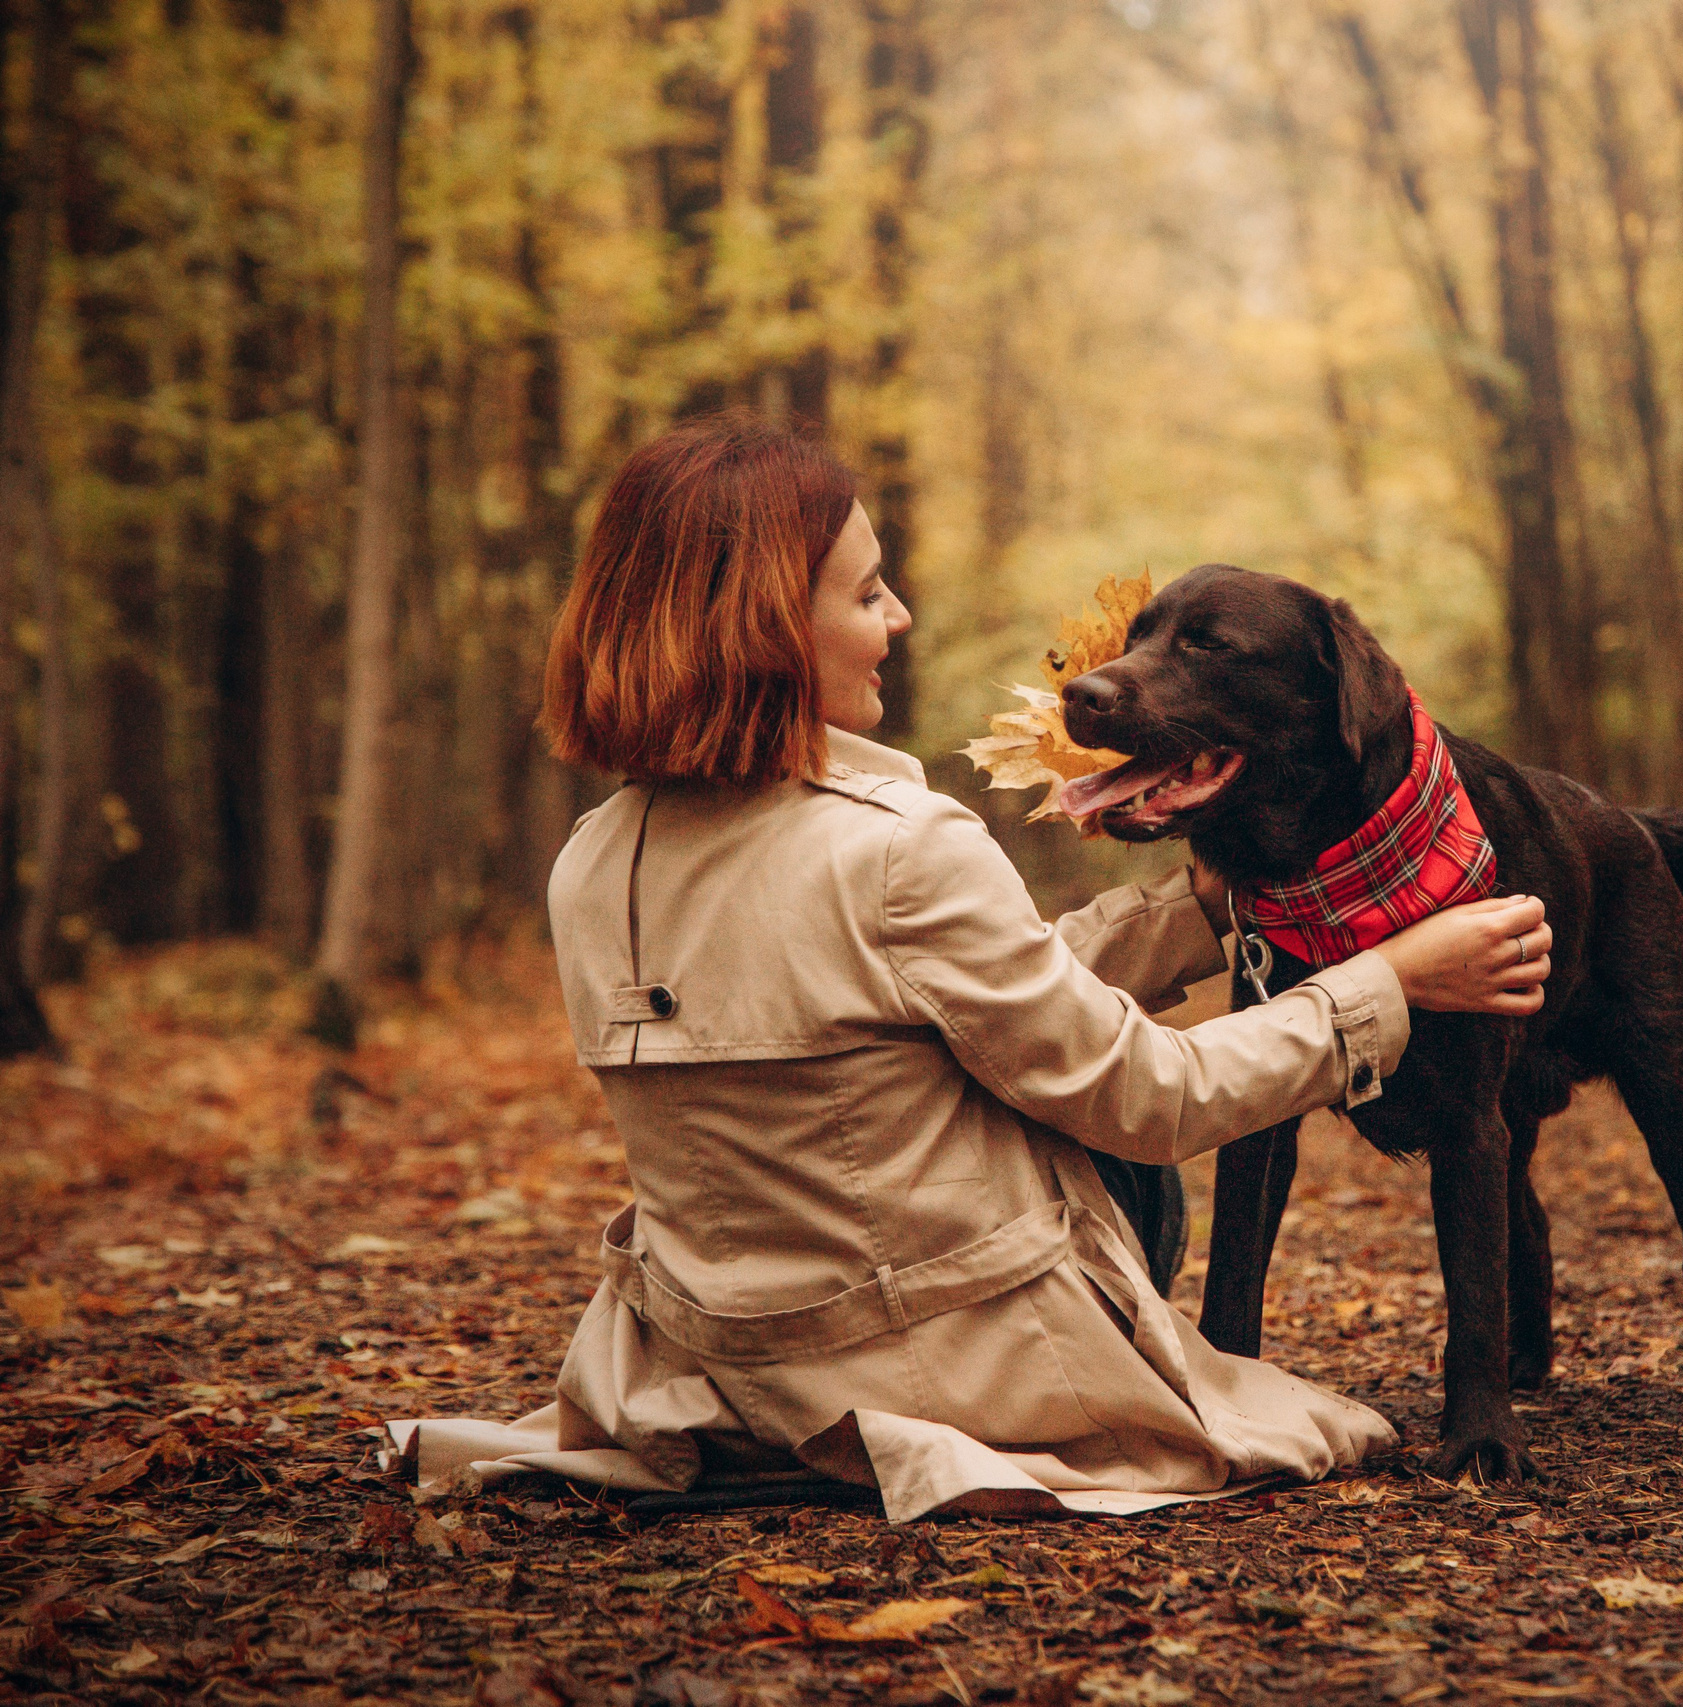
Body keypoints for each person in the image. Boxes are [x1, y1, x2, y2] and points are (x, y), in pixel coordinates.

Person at [394, 414, 1551, 1521]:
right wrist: (1393, 982)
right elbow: (1151, 1097)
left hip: (708, 1366)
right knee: (1244, 1325)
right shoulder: (903, 842)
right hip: (945, 1365)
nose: (894, 616)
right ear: (761, 627)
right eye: (863, 592)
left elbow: (914, 1003)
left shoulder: (589, 859)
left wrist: (1197, 910)